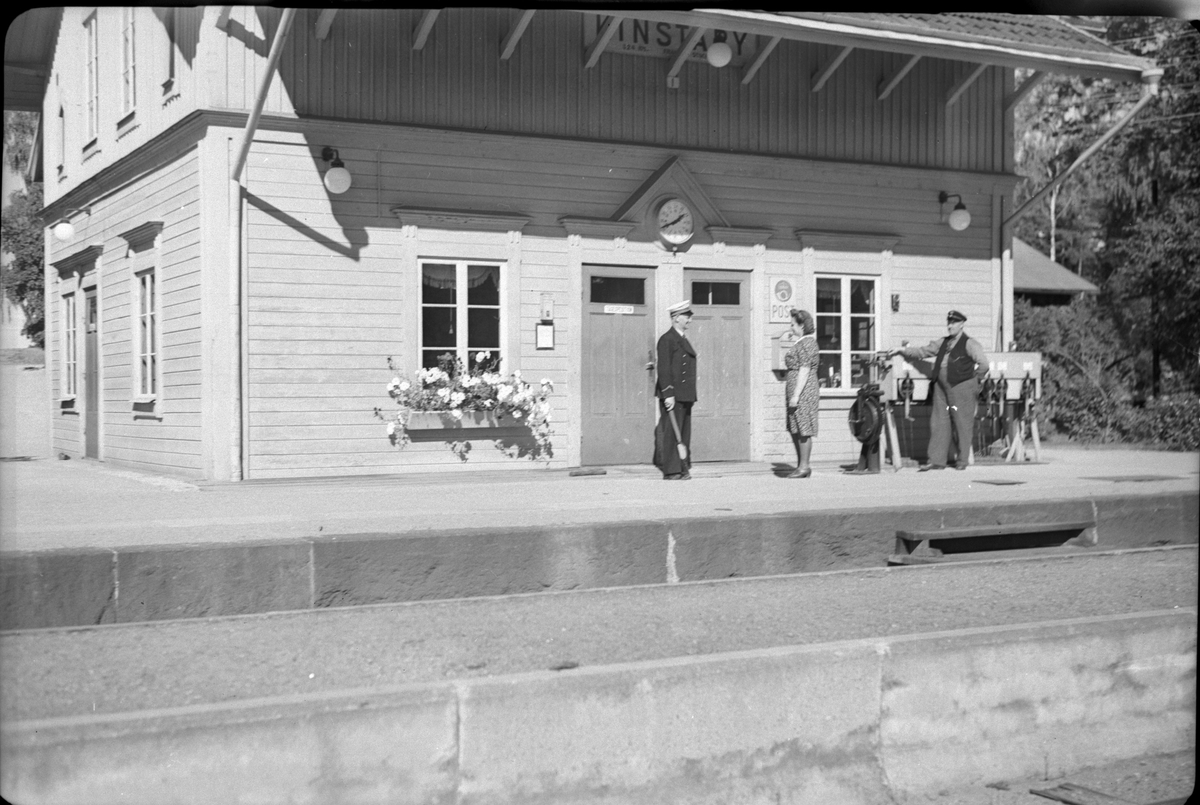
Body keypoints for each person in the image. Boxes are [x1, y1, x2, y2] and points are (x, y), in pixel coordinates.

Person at [885, 309, 988, 471]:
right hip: (941, 387)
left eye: (954, 323)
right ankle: (937, 461)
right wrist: (902, 350)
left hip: (961, 387)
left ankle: (962, 461)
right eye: (949, 322)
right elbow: (923, 352)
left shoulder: (970, 343)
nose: (950, 326)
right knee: (939, 422)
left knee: (962, 423)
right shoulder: (943, 343)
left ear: (962, 324)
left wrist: (976, 381)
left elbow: (984, 364)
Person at [654, 300, 697, 480]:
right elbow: (663, 369)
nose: (690, 320)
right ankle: (672, 471)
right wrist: (668, 394)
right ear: (676, 318)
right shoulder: (667, 339)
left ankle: (682, 467)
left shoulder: (681, 338)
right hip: (673, 394)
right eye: (687, 317)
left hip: (685, 394)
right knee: (673, 432)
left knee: (683, 432)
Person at [784, 308, 819, 478]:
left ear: (802, 325)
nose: (791, 328)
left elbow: (804, 370)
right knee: (796, 427)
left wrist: (796, 395)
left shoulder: (806, 343)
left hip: (804, 391)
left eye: (793, 325)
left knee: (803, 427)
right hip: (798, 389)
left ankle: (804, 467)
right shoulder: (801, 342)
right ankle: (801, 465)